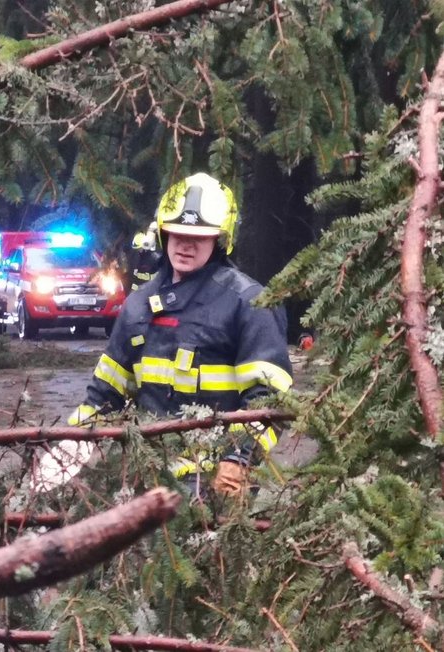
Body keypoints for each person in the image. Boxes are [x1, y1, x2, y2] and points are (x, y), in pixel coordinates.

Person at [41, 173, 292, 498]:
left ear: (220, 239)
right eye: (178, 234)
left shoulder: (250, 303)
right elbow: (104, 396)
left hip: (216, 484)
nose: (186, 244)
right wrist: (66, 451)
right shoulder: (139, 305)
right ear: (163, 233)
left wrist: (238, 460)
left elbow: (268, 398)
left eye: (199, 237)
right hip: (146, 482)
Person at [129, 221, 162, 291]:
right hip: (143, 292)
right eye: (137, 249)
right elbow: (137, 279)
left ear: (145, 246)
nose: (138, 251)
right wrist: (133, 292)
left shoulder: (155, 257)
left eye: (139, 248)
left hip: (155, 290)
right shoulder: (139, 258)